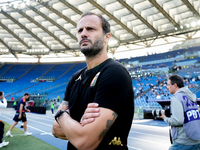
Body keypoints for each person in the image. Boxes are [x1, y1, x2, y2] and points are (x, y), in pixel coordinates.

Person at [52, 12, 134, 150]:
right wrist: (78, 125)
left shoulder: (114, 73)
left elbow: (85, 142)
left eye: (90, 29)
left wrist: (61, 115)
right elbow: (55, 130)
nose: (83, 34)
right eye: (80, 30)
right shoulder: (75, 78)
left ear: (107, 37)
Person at [160, 75, 200, 150]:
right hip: (197, 140)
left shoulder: (176, 97)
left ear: (175, 85)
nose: (167, 87)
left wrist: (165, 118)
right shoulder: (190, 96)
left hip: (184, 141)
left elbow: (178, 121)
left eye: (168, 85)